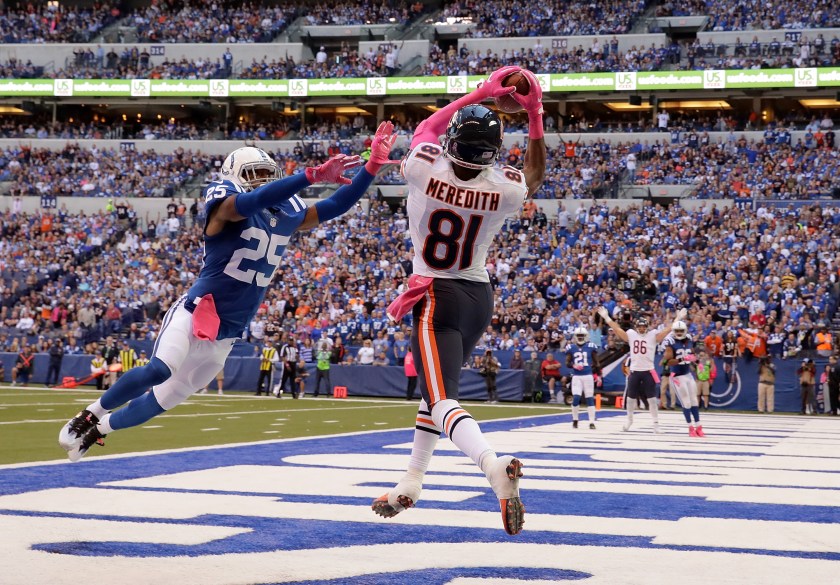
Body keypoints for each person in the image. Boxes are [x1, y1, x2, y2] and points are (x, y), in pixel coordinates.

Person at [58, 121, 399, 461]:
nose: (264, 181)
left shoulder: (288, 212)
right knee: (159, 370)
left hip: (227, 333)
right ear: (234, 176)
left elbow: (336, 205)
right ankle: (90, 412)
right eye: (254, 175)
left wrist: (370, 168)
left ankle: (100, 431)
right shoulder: (225, 203)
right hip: (196, 311)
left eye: (268, 173)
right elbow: (248, 203)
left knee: (163, 399)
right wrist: (309, 176)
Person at [371, 66, 546, 536]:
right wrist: (535, 117)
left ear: (452, 143)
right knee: (436, 394)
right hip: (478, 296)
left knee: (440, 396)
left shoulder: (425, 166)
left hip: (435, 294)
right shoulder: (504, 189)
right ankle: (412, 481)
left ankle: (493, 465)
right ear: (491, 152)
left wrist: (480, 92)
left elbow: (427, 128)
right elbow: (535, 174)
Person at [599, 307, 684, 433]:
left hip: (648, 371)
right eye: (640, 327)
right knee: (631, 398)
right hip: (634, 371)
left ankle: (655, 424)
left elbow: (667, 330)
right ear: (636, 326)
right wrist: (607, 318)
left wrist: (678, 319)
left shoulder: (652, 335)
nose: (642, 329)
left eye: (644, 327)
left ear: (647, 327)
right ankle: (629, 420)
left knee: (651, 399)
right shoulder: (632, 334)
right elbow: (617, 329)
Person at [663, 320, 704, 437]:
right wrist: (682, 359)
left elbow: (691, 354)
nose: (679, 333)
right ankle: (690, 428)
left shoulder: (689, 340)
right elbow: (668, 362)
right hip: (677, 376)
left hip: (687, 374)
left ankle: (699, 426)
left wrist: (697, 362)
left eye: (681, 331)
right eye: (677, 331)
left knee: (694, 401)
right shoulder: (671, 342)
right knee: (686, 402)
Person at [565, 326, 601, 429]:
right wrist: (573, 365)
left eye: (582, 336)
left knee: (590, 398)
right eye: (578, 336)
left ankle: (591, 422)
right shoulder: (571, 347)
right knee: (576, 398)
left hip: (588, 376)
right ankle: (575, 419)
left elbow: (596, 363)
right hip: (577, 376)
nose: (580, 338)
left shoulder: (591, 346)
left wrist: (598, 375)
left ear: (586, 336)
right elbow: (567, 362)